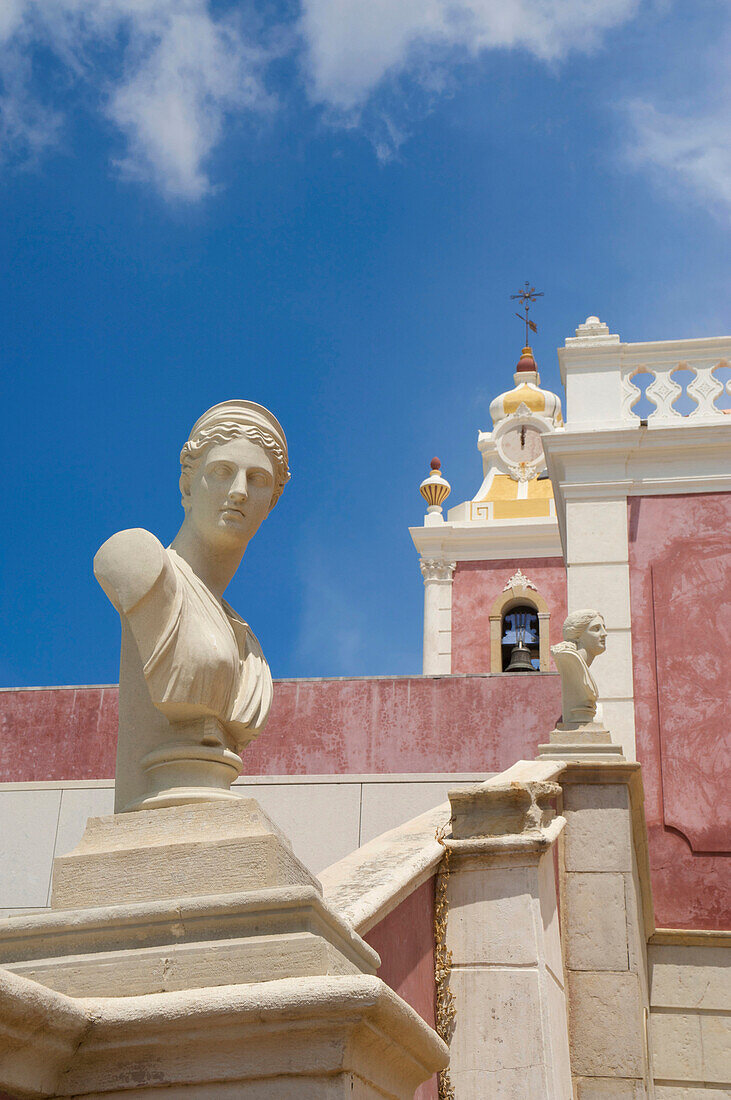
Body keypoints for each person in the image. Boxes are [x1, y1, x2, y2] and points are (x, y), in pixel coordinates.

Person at [94, 400, 290, 811]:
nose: (239, 491)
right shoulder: (138, 560)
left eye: (257, 480)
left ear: (270, 504)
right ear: (187, 484)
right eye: (222, 471)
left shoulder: (244, 636)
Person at [550, 609, 607, 726]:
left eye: (603, 628)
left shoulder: (579, 663)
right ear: (577, 635)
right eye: (596, 629)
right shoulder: (569, 659)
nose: (604, 633)